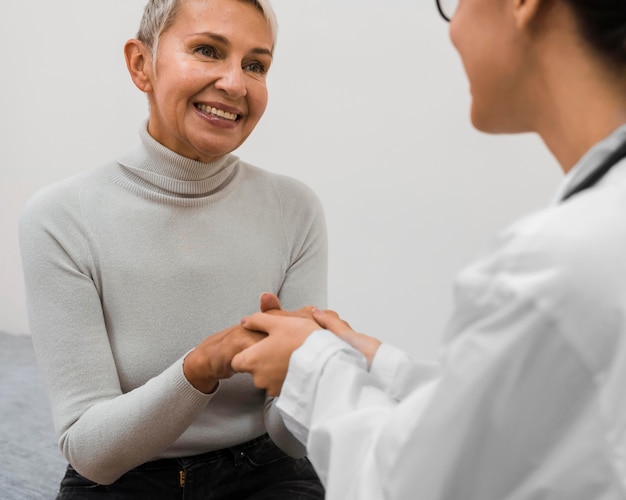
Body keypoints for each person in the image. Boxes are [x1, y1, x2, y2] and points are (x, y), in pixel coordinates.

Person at [231, 0, 626, 498]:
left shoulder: (559, 263)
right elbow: (506, 416)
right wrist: (371, 361)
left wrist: (313, 367)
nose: (454, 28)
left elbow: (409, 484)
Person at [18, 0, 326, 498]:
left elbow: (290, 439)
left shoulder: (295, 208)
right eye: (207, 50)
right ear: (142, 64)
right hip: (124, 476)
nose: (235, 83)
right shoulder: (60, 217)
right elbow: (91, 453)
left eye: (256, 65)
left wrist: (315, 370)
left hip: (266, 469)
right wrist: (202, 365)